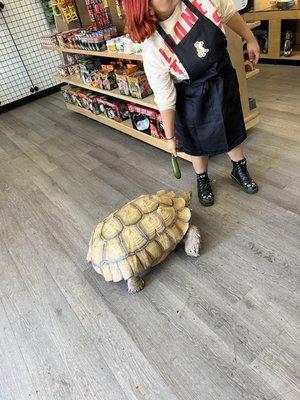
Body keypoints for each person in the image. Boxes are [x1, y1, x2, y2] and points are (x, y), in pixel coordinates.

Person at [124, 0, 260, 206]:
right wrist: (169, 136)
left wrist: (250, 38)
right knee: (196, 140)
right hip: (190, 95)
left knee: (231, 124)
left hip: (222, 79)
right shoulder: (153, 46)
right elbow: (164, 95)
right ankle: (202, 177)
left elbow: (228, 12)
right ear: (147, 7)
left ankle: (239, 168)